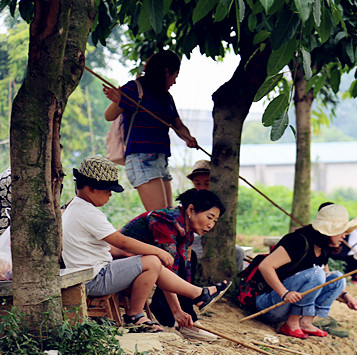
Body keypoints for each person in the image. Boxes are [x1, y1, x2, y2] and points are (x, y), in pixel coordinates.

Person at [62, 156, 229, 333]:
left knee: (152, 262)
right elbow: (122, 242)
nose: (111, 195)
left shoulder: (77, 207)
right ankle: (135, 314)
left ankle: (198, 294)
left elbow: (112, 247)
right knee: (152, 261)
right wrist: (157, 252)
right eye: (108, 190)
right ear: (92, 188)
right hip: (94, 277)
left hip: (97, 271)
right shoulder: (88, 213)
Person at [121, 188, 227, 341]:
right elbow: (166, 268)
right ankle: (183, 309)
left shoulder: (186, 228)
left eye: (215, 221)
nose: (211, 225)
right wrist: (176, 310)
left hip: (145, 265)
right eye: (209, 217)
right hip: (121, 263)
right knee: (172, 260)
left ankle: (190, 318)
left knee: (189, 259)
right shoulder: (166, 221)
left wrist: (183, 310)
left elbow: (179, 269)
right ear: (191, 209)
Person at [103, 50, 198, 212]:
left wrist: (188, 137)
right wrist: (118, 100)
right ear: (166, 71)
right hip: (141, 158)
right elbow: (109, 116)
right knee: (162, 217)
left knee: (168, 216)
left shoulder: (166, 97)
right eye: (175, 76)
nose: (175, 81)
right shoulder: (136, 88)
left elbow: (178, 124)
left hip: (161, 159)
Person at [255, 204, 357, 339]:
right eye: (342, 231)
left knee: (338, 278)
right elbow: (265, 266)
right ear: (329, 231)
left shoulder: (323, 248)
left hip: (288, 306)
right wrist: (284, 293)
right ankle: (291, 324)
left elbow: (328, 280)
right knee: (316, 274)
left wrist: (346, 297)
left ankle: (305, 322)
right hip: (270, 305)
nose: (344, 236)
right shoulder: (298, 241)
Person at [185, 159, 246, 273]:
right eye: (197, 183)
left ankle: (236, 285)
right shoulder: (188, 199)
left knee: (239, 252)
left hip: (216, 242)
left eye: (206, 183)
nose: (202, 187)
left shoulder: (219, 200)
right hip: (193, 240)